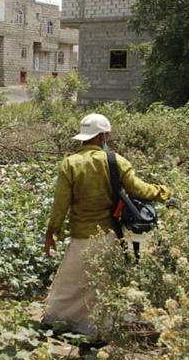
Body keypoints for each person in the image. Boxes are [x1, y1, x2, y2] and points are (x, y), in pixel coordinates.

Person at [43, 113, 171, 336]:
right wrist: (162, 191)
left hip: (81, 234)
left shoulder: (70, 164)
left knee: (69, 282)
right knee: (101, 284)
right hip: (108, 233)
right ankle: (95, 329)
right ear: (103, 135)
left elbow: (60, 205)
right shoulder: (117, 161)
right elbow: (140, 190)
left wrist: (51, 232)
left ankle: (56, 322)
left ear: (83, 137)